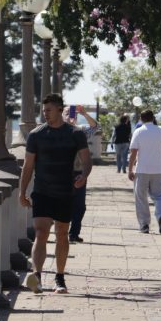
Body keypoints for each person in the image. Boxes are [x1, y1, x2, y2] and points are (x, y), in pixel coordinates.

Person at [20, 93, 93, 294]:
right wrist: (22, 192)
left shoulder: (75, 133)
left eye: (49, 110)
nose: (45, 113)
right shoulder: (36, 135)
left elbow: (87, 161)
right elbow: (28, 166)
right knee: (41, 232)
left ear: (60, 110)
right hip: (42, 191)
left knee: (62, 234)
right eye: (44, 110)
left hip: (65, 191)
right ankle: (36, 276)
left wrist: (84, 175)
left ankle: (59, 277)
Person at [128, 109, 161, 234]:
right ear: (153, 118)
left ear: (141, 119)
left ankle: (144, 224)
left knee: (141, 197)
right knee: (159, 196)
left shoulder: (138, 132)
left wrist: (130, 169)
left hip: (142, 169)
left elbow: (133, 152)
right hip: (159, 169)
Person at [65, 104, 98, 244]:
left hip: (78, 172)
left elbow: (95, 127)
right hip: (61, 173)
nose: (71, 116)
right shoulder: (57, 130)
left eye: (73, 113)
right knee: (64, 204)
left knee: (79, 206)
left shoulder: (81, 131)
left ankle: (74, 233)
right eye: (67, 113)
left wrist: (84, 113)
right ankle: (63, 232)